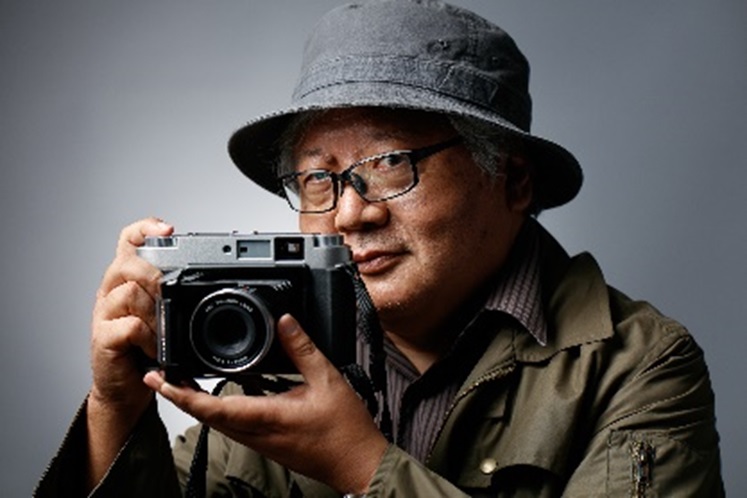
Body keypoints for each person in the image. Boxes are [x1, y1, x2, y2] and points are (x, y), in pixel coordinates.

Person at [36, 0, 724, 496]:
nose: (348, 213)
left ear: (512, 180)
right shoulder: (266, 353)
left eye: (392, 163)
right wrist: (115, 408)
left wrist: (360, 466)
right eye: (317, 178)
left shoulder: (639, 365)